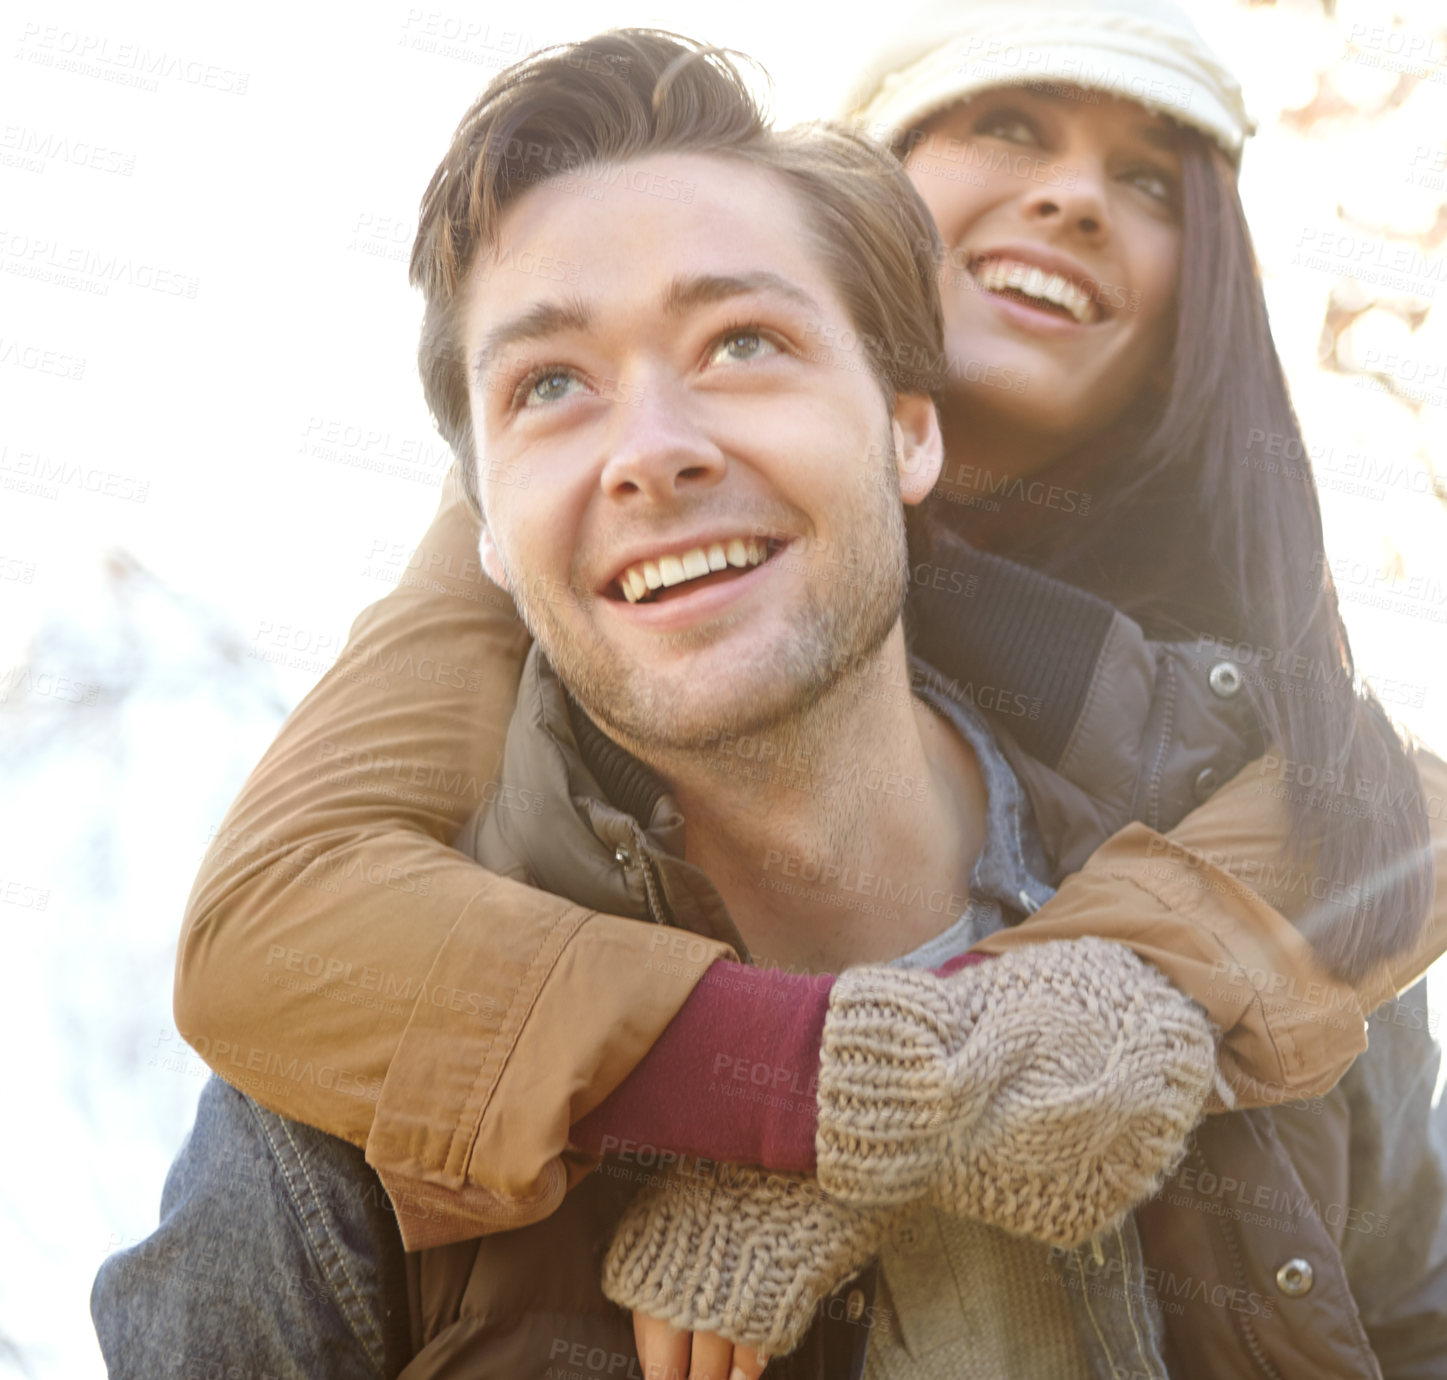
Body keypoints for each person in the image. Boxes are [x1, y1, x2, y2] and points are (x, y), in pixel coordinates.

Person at [94, 10, 1447, 1380]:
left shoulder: (1191, 709)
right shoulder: (502, 611)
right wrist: (822, 1082)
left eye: (744, 342)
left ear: (899, 413)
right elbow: (270, 921)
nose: (1070, 197)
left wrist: (891, 1113)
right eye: (1008, 125)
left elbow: (1395, 833)